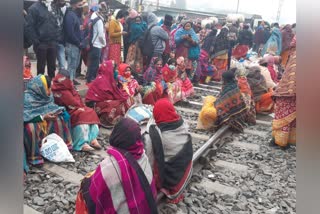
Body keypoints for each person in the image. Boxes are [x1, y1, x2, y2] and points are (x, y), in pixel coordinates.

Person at [75, 118, 158, 214]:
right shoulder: (143, 156)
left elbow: (95, 191)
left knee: (85, 188)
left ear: (116, 135)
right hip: (147, 209)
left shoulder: (109, 167)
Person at [143, 98, 193, 203]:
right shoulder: (182, 124)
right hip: (186, 171)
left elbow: (150, 161)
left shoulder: (157, 134)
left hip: (171, 181)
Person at [24, 75, 72, 167]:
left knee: (59, 119)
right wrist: (43, 117)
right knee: (31, 128)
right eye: (48, 88)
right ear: (40, 88)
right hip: (30, 122)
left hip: (44, 120)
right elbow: (25, 116)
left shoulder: (47, 96)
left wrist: (57, 113)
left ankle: (59, 148)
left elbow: (51, 107)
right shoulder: (26, 98)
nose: (50, 91)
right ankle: (35, 157)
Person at [51, 69, 102, 151]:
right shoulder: (57, 90)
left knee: (90, 112)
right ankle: (81, 143)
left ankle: (92, 138)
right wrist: (79, 107)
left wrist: (80, 107)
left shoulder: (69, 87)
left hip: (76, 107)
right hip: (66, 111)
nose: (68, 80)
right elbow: (70, 103)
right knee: (82, 115)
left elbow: (77, 100)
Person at [85, 60, 134, 127]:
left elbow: (114, 91)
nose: (116, 71)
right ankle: (105, 120)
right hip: (95, 104)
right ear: (109, 70)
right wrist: (117, 98)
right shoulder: (101, 80)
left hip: (104, 100)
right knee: (115, 104)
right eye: (114, 70)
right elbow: (106, 96)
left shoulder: (109, 79)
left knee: (125, 99)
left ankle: (123, 119)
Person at [271, 36, 296, 149]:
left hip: (288, 93)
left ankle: (281, 141)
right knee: (292, 117)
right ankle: (287, 140)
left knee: (284, 115)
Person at [25, 0, 61, 78]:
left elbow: (56, 23)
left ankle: (51, 86)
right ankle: (40, 85)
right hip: (41, 43)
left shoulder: (52, 7)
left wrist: (57, 37)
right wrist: (36, 41)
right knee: (41, 68)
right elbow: (29, 26)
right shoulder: (34, 8)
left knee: (52, 67)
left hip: (52, 42)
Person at [64, 0, 84, 85]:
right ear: (75, 4)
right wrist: (78, 42)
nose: (82, 5)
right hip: (72, 44)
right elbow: (70, 33)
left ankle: (71, 81)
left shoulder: (74, 14)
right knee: (71, 65)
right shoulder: (70, 15)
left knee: (74, 65)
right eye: (80, 3)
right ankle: (69, 83)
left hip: (76, 44)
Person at [86, 5, 107, 84]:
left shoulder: (92, 19)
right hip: (97, 44)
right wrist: (104, 43)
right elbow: (101, 34)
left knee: (91, 62)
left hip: (92, 43)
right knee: (95, 64)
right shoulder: (99, 21)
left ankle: (89, 78)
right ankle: (92, 79)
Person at [52, 0, 67, 70]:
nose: (64, 2)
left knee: (62, 63)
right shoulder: (51, 9)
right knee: (52, 61)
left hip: (60, 38)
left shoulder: (60, 9)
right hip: (53, 38)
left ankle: (61, 75)